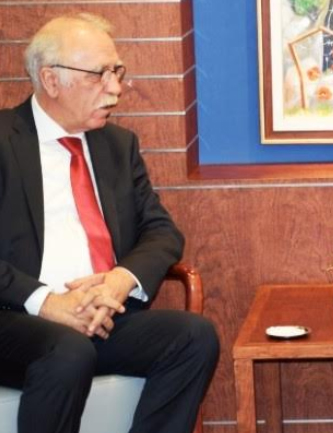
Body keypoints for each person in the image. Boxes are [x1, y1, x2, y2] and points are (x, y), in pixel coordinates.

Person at [0, 13, 219, 433]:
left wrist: (118, 282)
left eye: (117, 72)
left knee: (194, 336)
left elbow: (162, 232)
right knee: (68, 350)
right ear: (51, 80)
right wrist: (48, 302)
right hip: (15, 320)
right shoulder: (3, 140)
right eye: (99, 75)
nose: (115, 89)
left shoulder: (117, 145)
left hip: (102, 317)